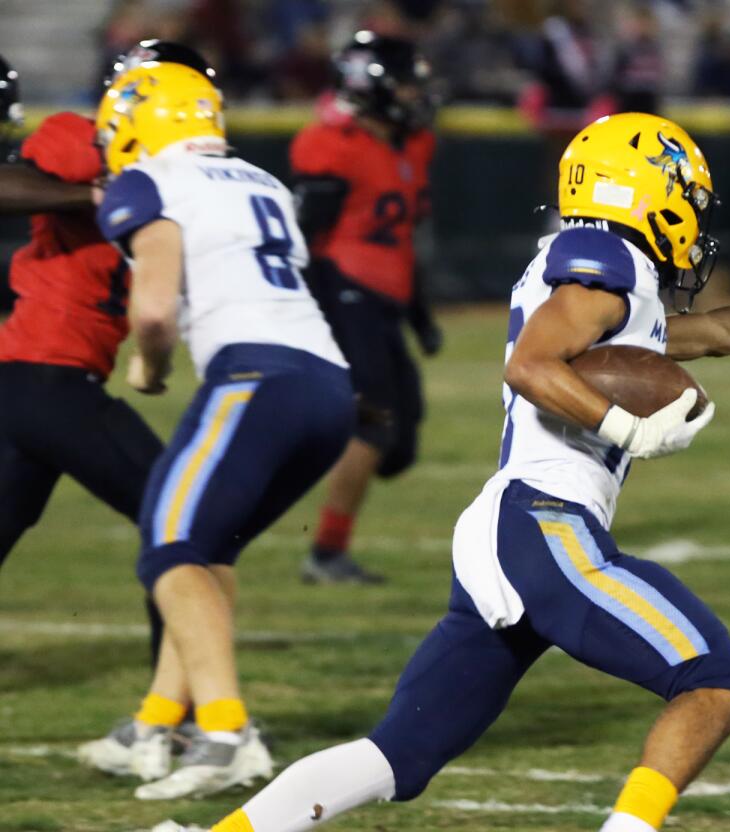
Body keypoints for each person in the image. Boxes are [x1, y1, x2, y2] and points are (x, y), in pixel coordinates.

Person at [149, 111, 730, 832]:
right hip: (544, 523)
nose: (692, 212)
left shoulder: (610, 278)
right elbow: (529, 365)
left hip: (514, 525)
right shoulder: (605, 256)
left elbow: (710, 334)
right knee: (715, 679)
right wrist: (626, 427)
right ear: (645, 190)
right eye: (684, 193)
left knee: (396, 754)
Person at [92, 60, 354, 799]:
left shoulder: (147, 183)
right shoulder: (263, 181)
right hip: (328, 385)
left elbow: (152, 308)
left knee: (170, 545)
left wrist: (148, 368)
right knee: (207, 550)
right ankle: (151, 725)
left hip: (256, 376)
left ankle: (225, 733)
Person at [0, 43, 215, 779]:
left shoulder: (178, 171)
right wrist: (97, 196)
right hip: (44, 376)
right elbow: (10, 180)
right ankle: (178, 723)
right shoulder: (80, 136)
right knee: (180, 524)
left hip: (39, 382)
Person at [290, 31, 441, 584]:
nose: (413, 96)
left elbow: (405, 237)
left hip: (385, 300)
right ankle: (326, 553)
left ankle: (314, 442)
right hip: (342, 293)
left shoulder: (411, 145)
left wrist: (420, 315)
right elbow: (302, 242)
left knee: (398, 445)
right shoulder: (333, 146)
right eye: (404, 85)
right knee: (374, 424)